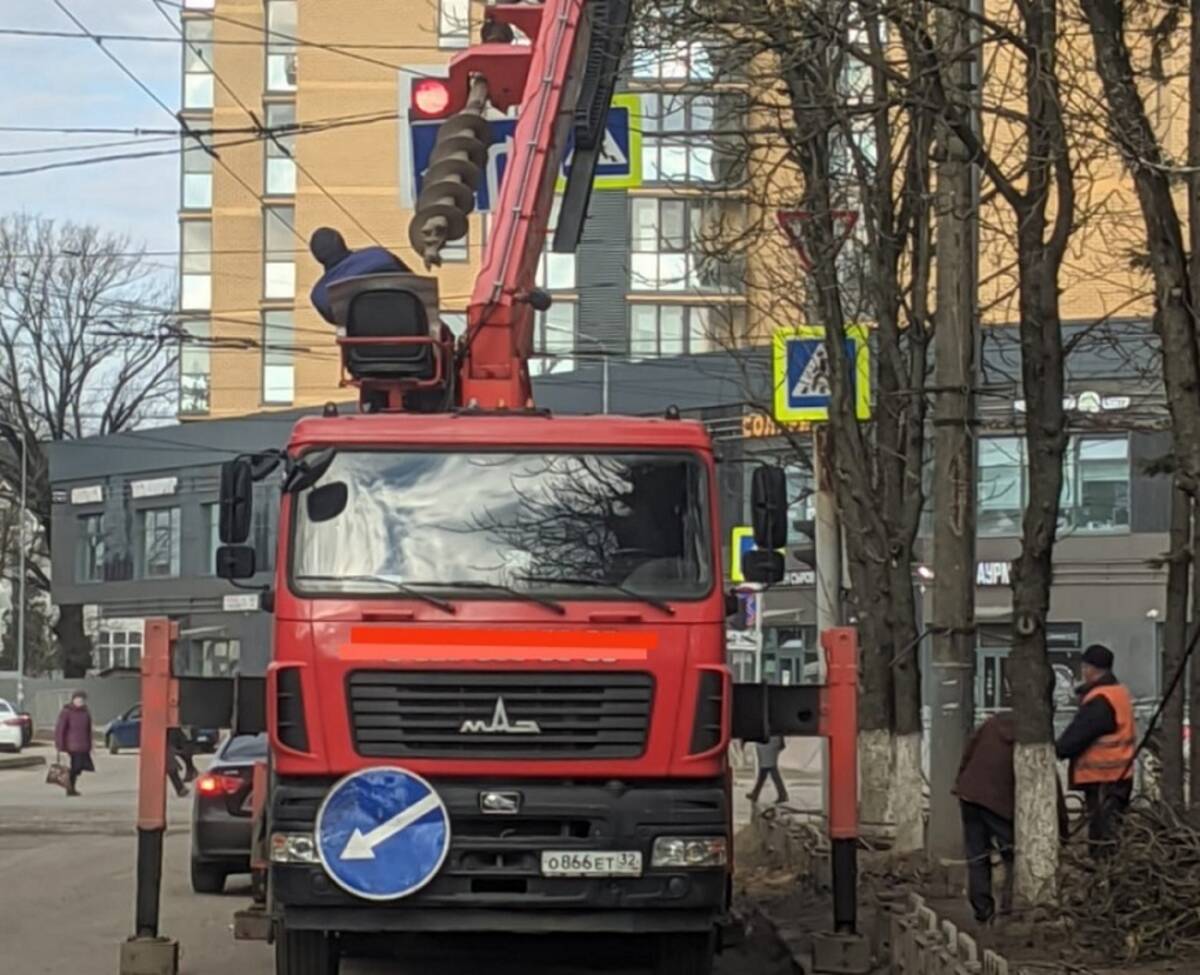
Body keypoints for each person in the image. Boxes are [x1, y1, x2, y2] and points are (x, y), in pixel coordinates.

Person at [1055, 643, 1135, 859]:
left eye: (1085, 667)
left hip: (1104, 778)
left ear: (1092, 668)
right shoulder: (1119, 693)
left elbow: (1078, 735)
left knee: (1103, 839)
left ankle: (1104, 883)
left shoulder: (1100, 700)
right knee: (1112, 834)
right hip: (1120, 774)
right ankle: (1112, 880)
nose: (1083, 671)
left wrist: (1057, 750)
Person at [954, 712, 1017, 923]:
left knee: (977, 855)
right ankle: (1011, 906)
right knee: (1014, 854)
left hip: (970, 795)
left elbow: (968, 751)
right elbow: (1048, 784)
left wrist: (960, 782)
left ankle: (982, 910)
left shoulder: (991, 724)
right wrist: (1062, 828)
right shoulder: (1031, 738)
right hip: (998, 803)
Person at [309, 227, 412, 324]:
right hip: (411, 329)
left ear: (317, 258)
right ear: (341, 241)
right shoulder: (380, 256)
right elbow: (413, 280)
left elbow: (338, 322)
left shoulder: (320, 296)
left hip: (364, 340)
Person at [54, 691, 95, 797]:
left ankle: (71, 786)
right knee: (76, 766)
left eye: (81, 700)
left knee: (80, 767)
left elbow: (88, 730)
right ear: (73, 700)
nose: (79, 701)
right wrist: (59, 745)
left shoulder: (86, 712)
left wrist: (91, 745)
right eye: (77, 699)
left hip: (83, 745)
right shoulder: (67, 712)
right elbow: (60, 729)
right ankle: (70, 788)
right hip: (71, 745)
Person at [747, 735, 788, 804]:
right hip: (767, 741)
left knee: (769, 768)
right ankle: (756, 793)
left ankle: (782, 794)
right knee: (766, 769)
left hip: (769, 741)